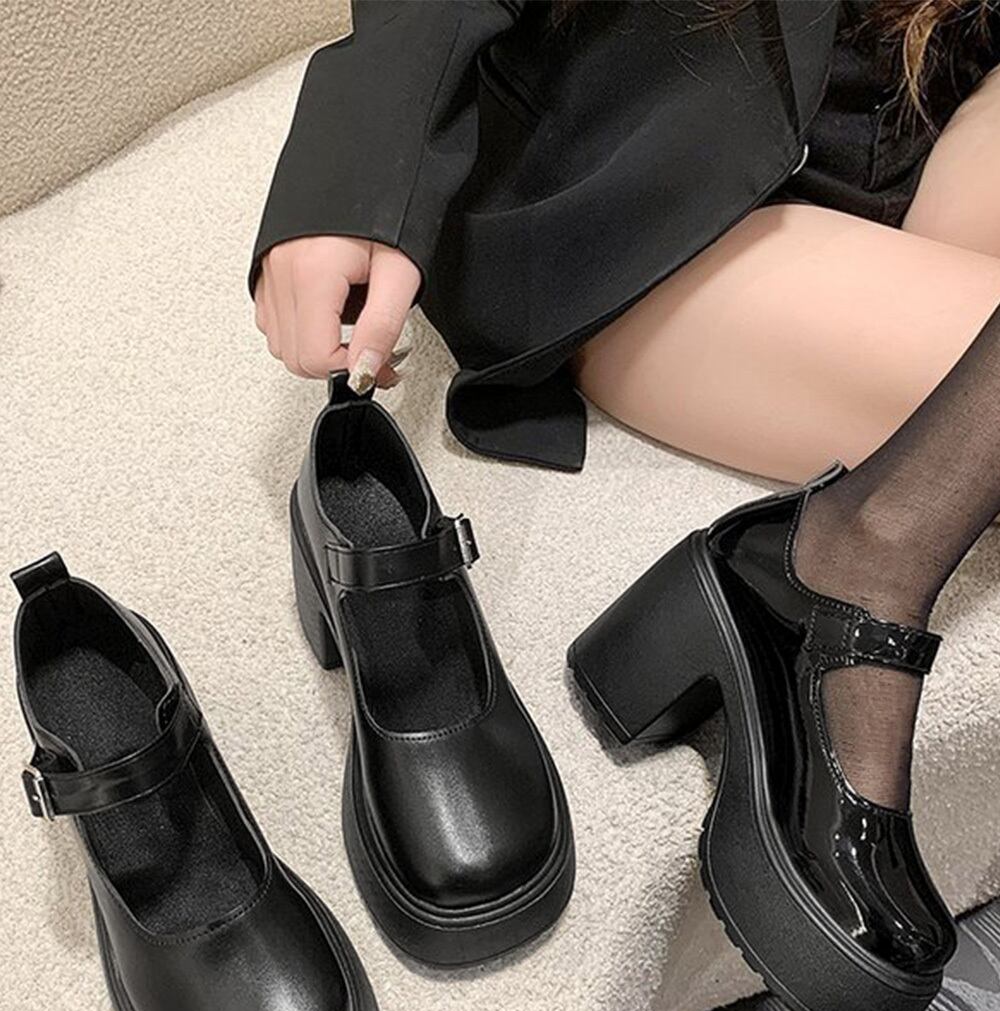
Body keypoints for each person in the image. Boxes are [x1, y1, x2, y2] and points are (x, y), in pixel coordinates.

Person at [250, 0, 1000, 822]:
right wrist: (353, 175)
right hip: (665, 179)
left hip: (936, 82)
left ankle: (774, 587)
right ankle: (805, 580)